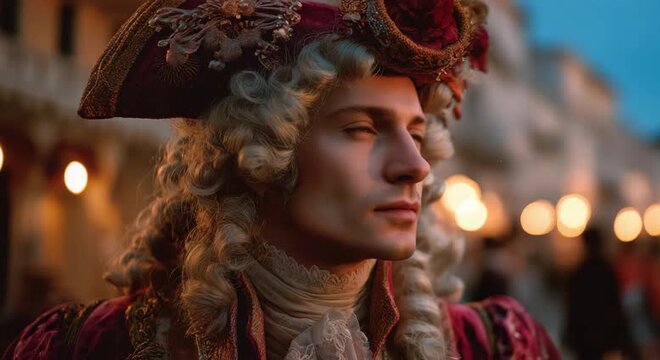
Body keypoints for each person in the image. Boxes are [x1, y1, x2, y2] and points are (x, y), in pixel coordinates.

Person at [2, 0, 560, 359]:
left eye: (417, 134)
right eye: (363, 128)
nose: (413, 166)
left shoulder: (495, 347)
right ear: (263, 152)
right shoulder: (97, 349)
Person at [564, 228, 630, 360]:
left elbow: (573, 306)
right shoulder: (606, 270)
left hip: (585, 334)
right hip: (604, 332)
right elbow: (615, 303)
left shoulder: (580, 272)